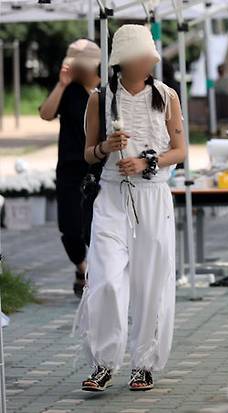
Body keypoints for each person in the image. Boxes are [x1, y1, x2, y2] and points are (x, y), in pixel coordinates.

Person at [72, 24, 186, 392]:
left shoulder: (167, 96)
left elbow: (181, 152)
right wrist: (106, 147)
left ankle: (145, 364)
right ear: (123, 62)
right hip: (111, 197)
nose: (146, 63)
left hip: (152, 197)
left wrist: (147, 162)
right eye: (139, 57)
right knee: (106, 278)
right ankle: (104, 362)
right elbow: (87, 152)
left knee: (150, 281)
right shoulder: (99, 98)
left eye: (148, 57)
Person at [39, 39, 101, 298]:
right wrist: (62, 84)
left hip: (99, 166)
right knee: (71, 228)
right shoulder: (69, 90)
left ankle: (98, 273)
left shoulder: (106, 89)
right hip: (70, 167)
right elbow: (46, 113)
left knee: (97, 226)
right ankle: (81, 266)